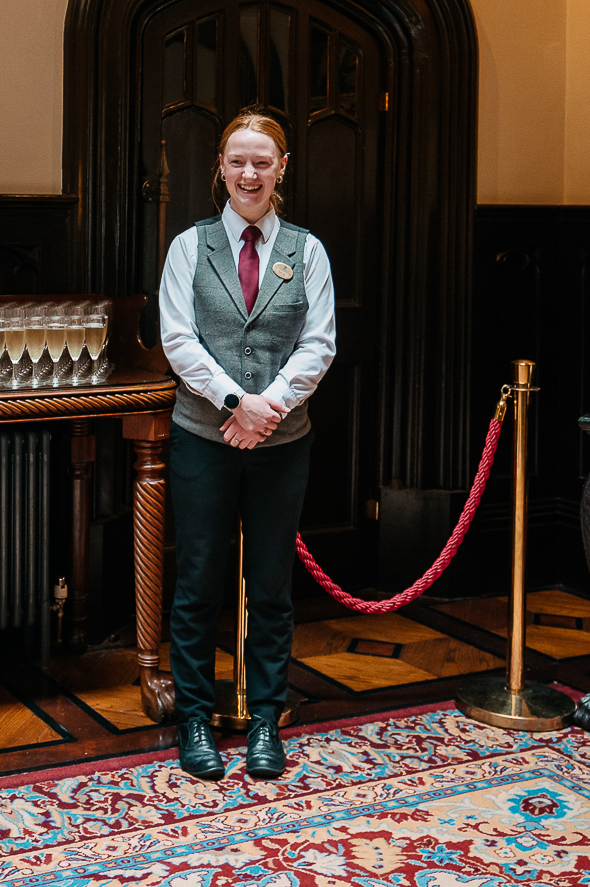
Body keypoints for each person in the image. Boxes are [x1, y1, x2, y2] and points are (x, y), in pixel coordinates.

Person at [158, 109, 336, 781]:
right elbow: (179, 339)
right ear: (221, 168)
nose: (249, 173)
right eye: (238, 160)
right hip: (204, 437)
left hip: (283, 444)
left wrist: (271, 410)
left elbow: (319, 343)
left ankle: (266, 720)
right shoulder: (189, 247)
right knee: (199, 581)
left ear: (282, 169)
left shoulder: (306, 251)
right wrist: (238, 404)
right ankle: (196, 719)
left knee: (270, 586)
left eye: (263, 161)